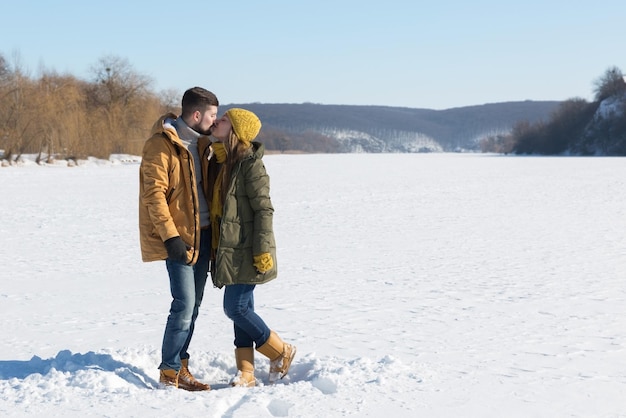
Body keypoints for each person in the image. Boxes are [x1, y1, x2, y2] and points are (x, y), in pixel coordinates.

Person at [207, 108, 296, 387]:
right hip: (229, 249)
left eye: (223, 120)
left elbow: (264, 210)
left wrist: (262, 250)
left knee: (235, 308)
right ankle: (246, 371)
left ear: (234, 130)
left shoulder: (250, 164)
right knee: (244, 307)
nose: (216, 121)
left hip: (247, 250)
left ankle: (281, 351)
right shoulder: (224, 162)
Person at [138, 87, 219, 391]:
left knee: (194, 305)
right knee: (183, 305)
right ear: (196, 115)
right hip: (181, 239)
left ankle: (181, 365)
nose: (215, 121)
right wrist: (170, 236)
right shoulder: (161, 146)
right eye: (211, 115)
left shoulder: (203, 145)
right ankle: (169, 372)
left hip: (205, 235)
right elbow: (154, 195)